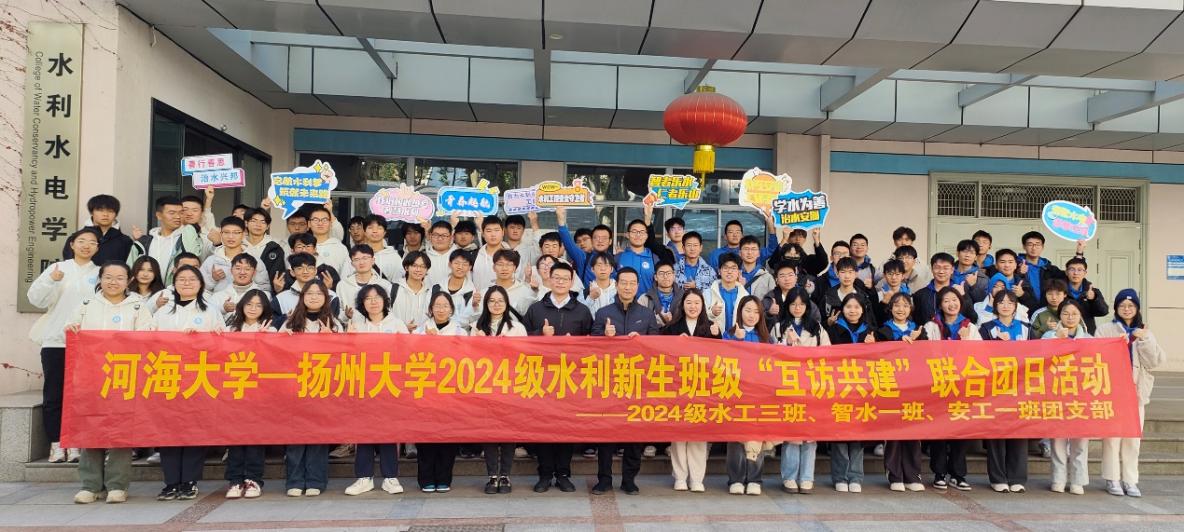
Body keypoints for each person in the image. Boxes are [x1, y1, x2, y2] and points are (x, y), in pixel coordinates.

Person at [66, 262, 153, 504]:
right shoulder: (86, 305)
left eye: (119, 277)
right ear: (100, 279)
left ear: (129, 281)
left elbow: (147, 338)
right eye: (108, 277)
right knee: (90, 429)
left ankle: (117, 485)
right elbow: (72, 331)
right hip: (91, 378)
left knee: (120, 431)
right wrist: (72, 329)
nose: (113, 282)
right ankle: (90, 485)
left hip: (124, 377)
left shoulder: (138, 306)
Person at [27, 227, 101, 464]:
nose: (86, 245)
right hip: (56, 342)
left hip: (88, 344)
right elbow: (35, 299)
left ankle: (76, 442)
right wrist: (52, 280)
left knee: (82, 395)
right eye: (82, 241)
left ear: (97, 248)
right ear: (72, 244)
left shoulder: (100, 273)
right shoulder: (58, 269)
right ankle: (57, 443)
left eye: (92, 242)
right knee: (54, 395)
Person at [153, 265, 225, 501]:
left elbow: (222, 343)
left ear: (201, 284)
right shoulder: (163, 312)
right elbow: (148, 341)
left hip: (198, 378)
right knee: (168, 431)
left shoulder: (210, 311)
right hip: (168, 377)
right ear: (174, 284)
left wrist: (202, 340)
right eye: (181, 279)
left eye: (192, 279)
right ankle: (171, 482)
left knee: (194, 430)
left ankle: (190, 481)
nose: (186, 283)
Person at [522, 262, 592, 493]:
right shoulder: (536, 309)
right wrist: (539, 335)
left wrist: (576, 345)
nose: (561, 282)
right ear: (549, 280)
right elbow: (521, 340)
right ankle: (544, 474)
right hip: (541, 378)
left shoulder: (582, 311)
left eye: (565, 278)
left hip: (570, 379)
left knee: (566, 427)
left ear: (572, 282)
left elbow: (592, 344)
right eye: (557, 278)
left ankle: (563, 474)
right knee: (543, 427)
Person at [590, 268, 659, 496]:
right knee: (606, 434)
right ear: (617, 284)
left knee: (635, 435)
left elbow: (657, 347)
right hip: (609, 382)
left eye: (632, 283)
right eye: (624, 283)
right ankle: (604, 479)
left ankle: (629, 480)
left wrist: (643, 342)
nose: (628, 287)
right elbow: (590, 346)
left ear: (637, 286)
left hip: (638, 382)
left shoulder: (647, 315)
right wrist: (604, 337)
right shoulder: (603, 313)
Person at [1096, 289, 1165, 498]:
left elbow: (1154, 362)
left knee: (1133, 439)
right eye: (1122, 306)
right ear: (1116, 308)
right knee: (1111, 438)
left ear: (1137, 309)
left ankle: (1130, 480)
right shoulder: (1105, 329)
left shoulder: (1145, 331)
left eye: (1131, 306)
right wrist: (1116, 344)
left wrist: (1144, 341)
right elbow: (1096, 357)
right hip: (1112, 392)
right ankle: (1112, 478)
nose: (1126, 309)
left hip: (1136, 392)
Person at [341, 284, 406, 497]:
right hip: (364, 387)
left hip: (389, 386)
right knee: (364, 432)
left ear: (385, 301)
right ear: (362, 303)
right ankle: (364, 477)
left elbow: (408, 353)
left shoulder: (397, 324)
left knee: (388, 432)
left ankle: (390, 477)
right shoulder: (356, 326)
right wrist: (348, 341)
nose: (373, 301)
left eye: (377, 297)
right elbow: (345, 356)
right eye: (368, 298)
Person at [279, 280, 340, 497]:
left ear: (326, 298)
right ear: (302, 297)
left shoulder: (334, 323)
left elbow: (344, 357)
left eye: (319, 293)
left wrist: (332, 340)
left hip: (322, 386)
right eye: (309, 293)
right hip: (295, 388)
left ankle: (316, 480)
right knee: (295, 436)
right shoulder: (289, 323)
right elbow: (276, 354)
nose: (314, 297)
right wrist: (282, 341)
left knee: (318, 435)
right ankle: (295, 480)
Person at [922, 287, 981, 491]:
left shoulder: (970, 327)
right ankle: (939, 473)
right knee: (939, 431)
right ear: (940, 305)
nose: (951, 304)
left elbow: (980, 357)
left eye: (954, 300)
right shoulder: (931, 326)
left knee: (960, 430)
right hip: (938, 386)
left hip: (963, 386)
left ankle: (958, 474)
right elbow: (925, 354)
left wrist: (965, 342)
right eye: (946, 300)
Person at [662, 289, 720, 493]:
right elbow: (661, 354)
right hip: (678, 387)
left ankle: (696, 478)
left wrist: (717, 337)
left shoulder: (711, 327)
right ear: (682, 305)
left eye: (697, 303)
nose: (693, 306)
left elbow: (721, 357)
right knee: (679, 433)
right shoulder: (671, 328)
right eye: (689, 302)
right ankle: (679, 476)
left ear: (702, 306)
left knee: (698, 434)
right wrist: (675, 344)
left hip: (703, 387)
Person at [471, 286, 527, 494]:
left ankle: (505, 475)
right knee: (489, 432)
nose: (496, 305)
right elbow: (468, 358)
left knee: (508, 432)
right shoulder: (477, 327)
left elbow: (525, 356)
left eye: (500, 301)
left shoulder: (517, 328)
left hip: (509, 387)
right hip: (485, 387)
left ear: (507, 303)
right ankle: (492, 476)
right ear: (486, 304)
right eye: (492, 301)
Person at [978, 290, 1034, 494]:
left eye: (1010, 302)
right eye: (1001, 302)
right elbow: (978, 357)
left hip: (1020, 388)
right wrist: (997, 344)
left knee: (1019, 432)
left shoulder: (1026, 329)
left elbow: (1037, 355)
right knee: (996, 433)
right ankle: (998, 478)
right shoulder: (986, 328)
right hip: (995, 388)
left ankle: (1017, 477)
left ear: (1016, 306)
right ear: (995, 306)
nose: (1006, 305)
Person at [774, 287, 829, 495]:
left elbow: (828, 354)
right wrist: (785, 344)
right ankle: (789, 477)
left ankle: (806, 477)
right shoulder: (779, 327)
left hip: (812, 386)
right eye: (793, 304)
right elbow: (768, 357)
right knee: (791, 434)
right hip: (788, 387)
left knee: (810, 434)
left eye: (801, 304)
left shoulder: (817, 328)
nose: (797, 308)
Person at [871, 293, 927, 493]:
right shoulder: (882, 331)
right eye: (896, 305)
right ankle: (894, 474)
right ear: (890, 308)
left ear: (911, 309)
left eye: (905, 305)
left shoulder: (920, 331)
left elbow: (928, 359)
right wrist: (898, 344)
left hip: (914, 390)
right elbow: (876, 357)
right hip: (891, 389)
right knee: (893, 434)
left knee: (913, 432)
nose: (900, 309)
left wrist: (916, 342)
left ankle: (913, 474)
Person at [223, 289, 275, 500]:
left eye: (258, 305)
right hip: (234, 390)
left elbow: (276, 359)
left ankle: (253, 479)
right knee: (235, 437)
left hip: (260, 393)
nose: (253, 309)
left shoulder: (271, 330)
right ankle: (235, 480)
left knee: (255, 437)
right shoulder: (230, 328)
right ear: (242, 306)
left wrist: (265, 341)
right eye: (249, 304)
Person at [722, 295, 775, 495]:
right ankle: (735, 478)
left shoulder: (766, 338)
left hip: (758, 395)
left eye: (756, 311)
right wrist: (737, 340)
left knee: (756, 438)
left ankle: (754, 479)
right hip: (735, 393)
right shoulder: (729, 334)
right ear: (740, 312)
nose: (751, 315)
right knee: (736, 438)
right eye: (747, 310)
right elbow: (721, 360)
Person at [416, 291, 466, 493]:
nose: (441, 309)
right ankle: (426, 479)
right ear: (431, 309)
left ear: (451, 310)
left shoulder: (460, 332)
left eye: (445, 306)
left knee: (448, 436)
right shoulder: (420, 332)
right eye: (437, 305)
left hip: (450, 393)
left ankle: (444, 478)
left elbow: (466, 358)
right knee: (425, 436)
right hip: (425, 391)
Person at [826, 292, 875, 493]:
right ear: (842, 310)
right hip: (839, 388)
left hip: (862, 390)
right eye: (848, 307)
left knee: (858, 435)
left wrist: (873, 347)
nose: (852, 311)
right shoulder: (833, 330)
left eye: (856, 307)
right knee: (839, 434)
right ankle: (839, 476)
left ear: (862, 310)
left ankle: (855, 476)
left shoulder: (870, 332)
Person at [1043, 298, 1092, 495]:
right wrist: (1056, 339)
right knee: (1057, 440)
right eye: (1065, 313)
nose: (1070, 317)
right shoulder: (1049, 336)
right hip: (1057, 393)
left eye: (1074, 314)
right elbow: (1039, 357)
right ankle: (1058, 478)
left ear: (1080, 316)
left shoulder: (1088, 339)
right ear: (1059, 316)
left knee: (1080, 441)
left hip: (1081, 395)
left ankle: (1078, 480)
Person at [129, 196, 203, 283]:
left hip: (175, 290)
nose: (178, 216)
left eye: (181, 212)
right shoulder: (143, 242)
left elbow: (194, 257)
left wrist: (189, 229)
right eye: (172, 213)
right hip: (147, 290)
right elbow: (129, 270)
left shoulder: (188, 238)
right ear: (159, 215)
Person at [202, 217, 268, 295]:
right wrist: (212, 279)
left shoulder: (254, 261)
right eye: (226, 232)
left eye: (236, 233)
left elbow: (265, 289)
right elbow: (200, 290)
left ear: (243, 234)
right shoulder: (211, 261)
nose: (231, 237)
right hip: (218, 302)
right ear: (221, 234)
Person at [63, 194, 134, 264]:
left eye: (110, 211)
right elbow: (69, 264)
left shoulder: (125, 241)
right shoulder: (76, 238)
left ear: (116, 214)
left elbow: (130, 266)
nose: (105, 214)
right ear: (92, 212)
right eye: (100, 210)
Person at [912, 252, 977, 325]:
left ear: (952, 270)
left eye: (946, 268)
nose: (941, 271)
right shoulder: (920, 295)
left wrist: (963, 297)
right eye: (937, 268)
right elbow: (916, 321)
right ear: (932, 269)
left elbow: (973, 318)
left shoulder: (960, 291)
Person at [337, 244, 393, 323]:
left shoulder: (384, 284)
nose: (361, 262)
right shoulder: (342, 285)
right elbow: (338, 312)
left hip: (378, 327)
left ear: (373, 260)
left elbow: (390, 310)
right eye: (356, 259)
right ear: (352, 263)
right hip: (353, 328)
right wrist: (346, 316)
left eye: (365, 258)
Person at [1019, 231, 1075, 303]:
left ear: (1042, 247)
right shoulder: (1015, 265)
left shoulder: (1049, 268)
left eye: (1037, 244)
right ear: (1024, 246)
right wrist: (1019, 273)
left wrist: (1079, 253)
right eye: (1030, 244)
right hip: (1022, 307)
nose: (1034, 248)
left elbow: (1071, 277)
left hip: (1046, 307)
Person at [704, 253, 749, 335]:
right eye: (725, 268)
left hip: (737, 339)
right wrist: (712, 313)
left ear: (739, 272)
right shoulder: (708, 293)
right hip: (714, 338)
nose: (729, 272)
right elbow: (699, 317)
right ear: (719, 271)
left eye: (733, 268)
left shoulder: (745, 296)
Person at [1063, 257, 1109, 334]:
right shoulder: (1060, 292)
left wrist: (1094, 299)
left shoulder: (1093, 292)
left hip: (1087, 333)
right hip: (1065, 333)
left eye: (1080, 270)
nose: (1076, 273)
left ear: (1085, 273)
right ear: (1066, 272)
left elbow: (1103, 312)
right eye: (1072, 269)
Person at [390, 251, 433, 332]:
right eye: (414, 265)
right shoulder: (393, 289)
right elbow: (385, 317)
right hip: (398, 336)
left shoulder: (431, 293)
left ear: (427, 270)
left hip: (422, 338)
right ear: (406, 268)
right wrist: (403, 328)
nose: (418, 269)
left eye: (423, 266)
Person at [210, 253, 264, 319]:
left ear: (254, 272)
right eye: (238, 268)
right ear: (231, 270)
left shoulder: (263, 296)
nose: (242, 272)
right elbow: (207, 317)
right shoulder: (218, 296)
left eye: (247, 269)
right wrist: (223, 309)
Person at [433, 249, 477, 329]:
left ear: (470, 267)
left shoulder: (472, 293)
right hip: (435, 332)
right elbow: (428, 312)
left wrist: (448, 328)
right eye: (456, 263)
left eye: (465, 264)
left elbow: (467, 318)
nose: (460, 267)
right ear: (450, 264)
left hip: (460, 333)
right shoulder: (436, 289)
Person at [241, 207, 287, 284]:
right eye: (254, 221)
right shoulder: (239, 244)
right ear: (246, 223)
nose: (258, 225)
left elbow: (278, 274)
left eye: (263, 222)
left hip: (265, 289)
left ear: (268, 226)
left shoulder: (275, 247)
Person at [637, 260, 683, 327]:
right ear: (655, 277)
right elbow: (638, 322)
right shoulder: (645, 298)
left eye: (669, 273)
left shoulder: (684, 297)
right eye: (661, 273)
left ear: (674, 276)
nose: (665, 276)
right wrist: (660, 319)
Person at [362, 215, 405, 282]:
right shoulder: (357, 255)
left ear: (384, 232)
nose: (375, 231)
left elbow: (398, 283)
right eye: (370, 228)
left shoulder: (394, 257)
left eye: (379, 228)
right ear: (364, 232)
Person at [472, 216, 509, 293]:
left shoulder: (513, 256)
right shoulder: (474, 256)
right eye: (489, 231)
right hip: (480, 299)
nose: (493, 234)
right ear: (483, 234)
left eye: (496, 230)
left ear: (503, 232)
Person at [425, 220, 458, 287]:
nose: (440, 238)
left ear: (451, 237)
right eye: (436, 235)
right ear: (430, 236)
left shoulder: (460, 256)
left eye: (444, 235)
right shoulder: (423, 257)